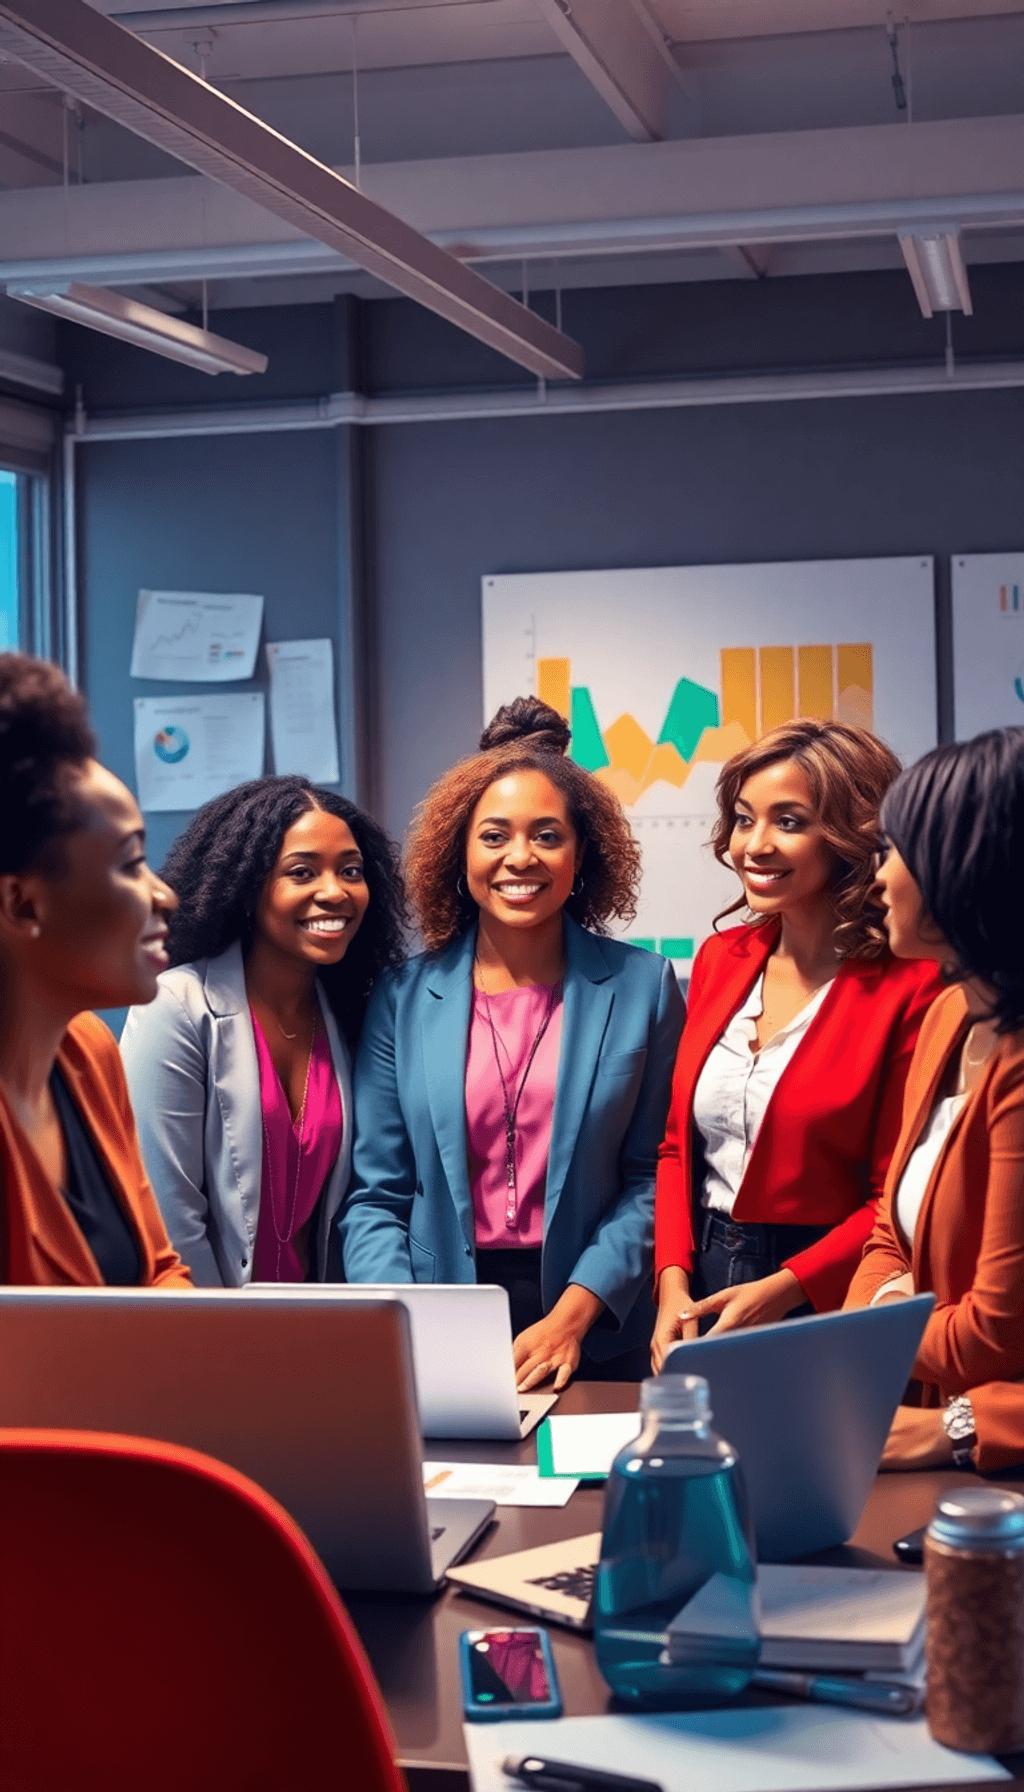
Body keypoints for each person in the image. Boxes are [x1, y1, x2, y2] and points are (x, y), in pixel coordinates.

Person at [339, 697, 685, 1387]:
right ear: (458, 851)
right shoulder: (403, 997)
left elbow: (653, 1178)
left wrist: (574, 1314)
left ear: (581, 854)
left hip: (599, 1325)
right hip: (439, 1320)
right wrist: (408, 1324)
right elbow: (377, 1195)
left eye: (547, 836)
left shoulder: (645, 987)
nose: (519, 858)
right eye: (494, 835)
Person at [652, 720, 942, 1368]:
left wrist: (782, 1291)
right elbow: (676, 1149)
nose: (752, 845)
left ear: (849, 835)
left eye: (788, 822)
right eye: (743, 819)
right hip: (701, 1275)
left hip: (827, 1292)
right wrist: (671, 1280)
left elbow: (892, 1199)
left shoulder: (913, 988)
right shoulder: (722, 957)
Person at [120, 776, 406, 1286]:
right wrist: (227, 1343)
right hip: (206, 1328)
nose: (334, 891)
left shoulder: (348, 1015)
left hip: (316, 1325)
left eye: (351, 871)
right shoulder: (177, 1009)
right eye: (302, 872)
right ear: (249, 888)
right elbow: (168, 1223)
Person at [846, 728, 1024, 1473]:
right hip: (918, 1424)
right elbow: (891, 1230)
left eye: (893, 852)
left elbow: (993, 1333)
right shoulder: (951, 1011)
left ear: (966, 867)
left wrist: (881, 1321)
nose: (879, 879)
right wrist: (874, 1317)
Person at [0, 653, 191, 1287]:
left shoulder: (88, 1053)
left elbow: (158, 1273)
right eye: (132, 863)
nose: (164, 895)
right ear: (23, 903)